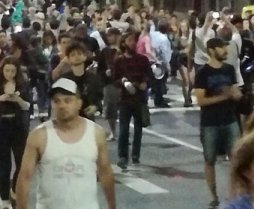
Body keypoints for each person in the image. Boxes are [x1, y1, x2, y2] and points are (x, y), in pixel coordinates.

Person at [15, 78, 116, 209]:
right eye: (57, 101)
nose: (62, 105)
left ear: (79, 103)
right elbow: (25, 176)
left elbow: (105, 171)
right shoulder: (39, 136)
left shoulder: (96, 133)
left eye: (68, 100)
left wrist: (112, 206)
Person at [193, 38, 243, 209]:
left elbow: (235, 90)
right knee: (210, 160)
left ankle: (234, 194)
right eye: (222, 48)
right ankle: (214, 196)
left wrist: (237, 95)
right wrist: (224, 96)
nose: (225, 51)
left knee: (236, 159)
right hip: (210, 123)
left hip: (230, 120)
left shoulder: (229, 69)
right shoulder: (203, 73)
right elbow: (200, 100)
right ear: (211, 50)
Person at [0, 57, 31, 209]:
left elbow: (27, 106)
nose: (10, 74)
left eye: (13, 71)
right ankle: (4, 200)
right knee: (4, 166)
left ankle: (14, 189)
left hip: (18, 127)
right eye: (7, 70)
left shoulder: (22, 84)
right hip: (0, 127)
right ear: (2, 70)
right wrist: (0, 98)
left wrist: (18, 99)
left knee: (21, 163)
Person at [113, 31, 152, 170]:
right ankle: (123, 156)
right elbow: (114, 79)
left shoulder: (143, 59)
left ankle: (136, 154)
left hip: (139, 98)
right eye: (129, 40)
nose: (132, 43)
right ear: (124, 43)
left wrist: (145, 83)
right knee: (123, 129)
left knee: (138, 129)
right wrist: (124, 83)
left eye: (134, 40)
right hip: (124, 99)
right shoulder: (119, 60)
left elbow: (149, 75)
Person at [60, 42, 103, 121]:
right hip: (68, 121)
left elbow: (99, 97)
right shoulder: (63, 80)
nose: (76, 56)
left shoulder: (94, 78)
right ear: (68, 59)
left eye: (79, 54)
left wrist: (95, 106)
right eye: (73, 55)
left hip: (88, 120)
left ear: (85, 56)